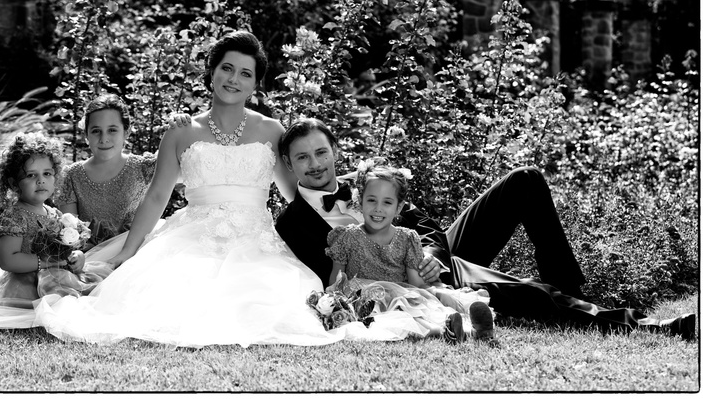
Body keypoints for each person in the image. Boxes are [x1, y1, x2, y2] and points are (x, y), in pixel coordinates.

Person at [33, 31, 345, 347]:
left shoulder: (272, 130)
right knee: (173, 295)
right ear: (211, 72)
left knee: (273, 297)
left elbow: (297, 198)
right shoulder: (181, 132)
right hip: (193, 236)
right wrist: (127, 252)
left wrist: (344, 225)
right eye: (227, 68)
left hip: (255, 240)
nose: (233, 79)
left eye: (245, 73)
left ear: (255, 84)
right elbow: (157, 196)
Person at [275, 118, 696, 340]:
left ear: (335, 150)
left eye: (321, 152)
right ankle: (643, 325)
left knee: (525, 180)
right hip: (398, 285)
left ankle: (570, 290)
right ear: (290, 166)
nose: (315, 164)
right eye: (302, 158)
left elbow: (424, 224)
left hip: (433, 259)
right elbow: (331, 274)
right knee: (528, 294)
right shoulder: (292, 223)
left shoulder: (369, 181)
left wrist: (430, 258)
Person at [326, 159, 496, 343]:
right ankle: (447, 331)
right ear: (359, 201)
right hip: (366, 301)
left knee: (419, 311)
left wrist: (436, 294)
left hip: (401, 296)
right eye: (371, 200)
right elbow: (336, 280)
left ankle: (472, 330)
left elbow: (417, 283)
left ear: (399, 207)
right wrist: (335, 304)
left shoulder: (407, 238)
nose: (378, 209)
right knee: (402, 322)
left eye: (387, 202)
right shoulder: (347, 237)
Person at [0, 132, 92, 328]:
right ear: (13, 183)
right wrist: (47, 262)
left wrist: (75, 257)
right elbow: (8, 260)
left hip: (56, 275)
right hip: (25, 282)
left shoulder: (55, 213)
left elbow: (64, 247)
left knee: (84, 298)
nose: (41, 180)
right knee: (50, 306)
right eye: (31, 175)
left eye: (47, 173)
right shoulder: (15, 216)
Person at [57, 94, 160, 249]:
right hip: (90, 254)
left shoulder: (144, 168)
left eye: (112, 130)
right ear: (86, 134)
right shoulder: (72, 176)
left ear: (126, 132)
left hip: (136, 251)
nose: (104, 139)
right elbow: (71, 235)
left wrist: (180, 125)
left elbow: (183, 167)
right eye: (96, 131)